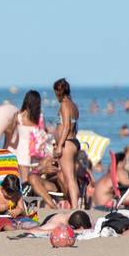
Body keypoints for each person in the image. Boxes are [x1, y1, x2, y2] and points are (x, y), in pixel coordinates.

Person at [53, 79, 82, 209]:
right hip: (74, 142)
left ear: (59, 92)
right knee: (72, 178)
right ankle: (75, 206)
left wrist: (59, 145)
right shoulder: (73, 105)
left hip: (67, 144)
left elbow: (66, 126)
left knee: (69, 179)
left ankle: (75, 208)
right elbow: (74, 126)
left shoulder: (65, 104)